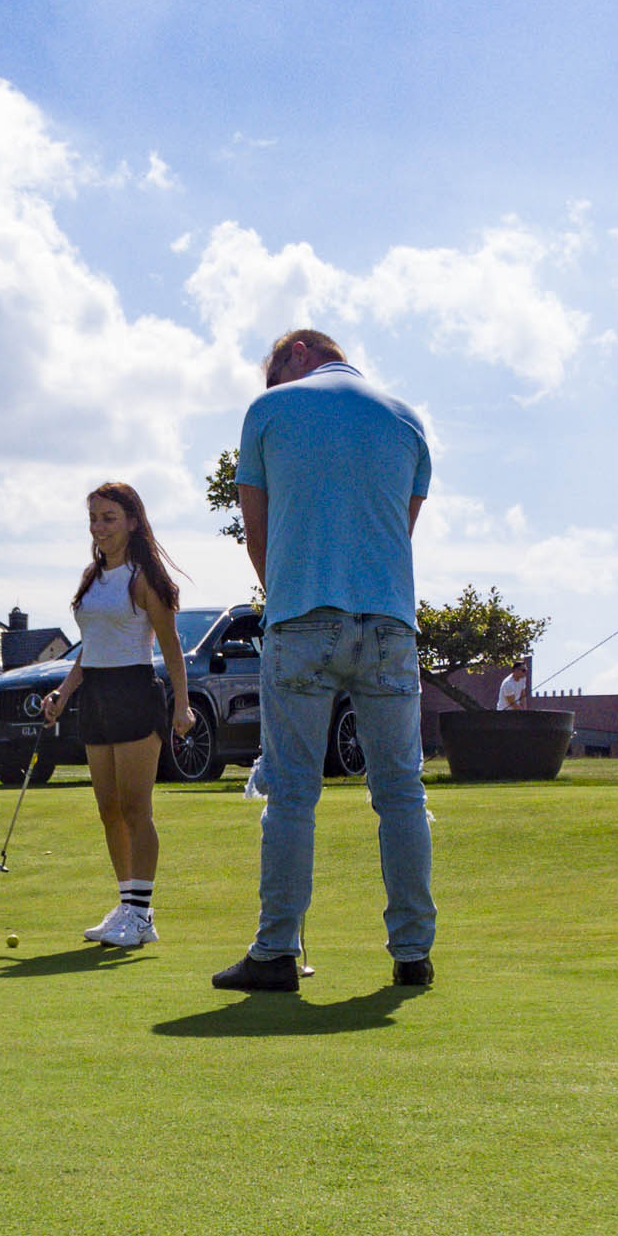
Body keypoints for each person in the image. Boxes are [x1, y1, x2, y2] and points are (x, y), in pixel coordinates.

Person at [214, 330, 437, 992]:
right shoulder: (408, 420)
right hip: (390, 626)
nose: (272, 387)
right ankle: (413, 954)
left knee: (291, 794)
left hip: (302, 620)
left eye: (275, 371)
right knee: (401, 793)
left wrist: (287, 598)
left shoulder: (267, 413)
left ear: (303, 350)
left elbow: (260, 536)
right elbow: (399, 530)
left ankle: (277, 950)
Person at [38, 484, 198, 948]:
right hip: (98, 697)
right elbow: (92, 646)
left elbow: (170, 645)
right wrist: (64, 693)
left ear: (132, 522)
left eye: (109, 517)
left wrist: (182, 704)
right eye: (93, 517)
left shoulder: (144, 578)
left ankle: (142, 915)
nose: (98, 526)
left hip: (134, 693)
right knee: (108, 809)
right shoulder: (93, 577)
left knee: (135, 807)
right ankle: (127, 905)